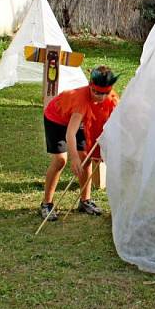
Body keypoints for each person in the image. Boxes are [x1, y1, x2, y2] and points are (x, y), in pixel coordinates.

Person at [40, 66, 120, 221]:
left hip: (81, 119)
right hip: (56, 119)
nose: (100, 97)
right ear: (90, 86)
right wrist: (74, 157)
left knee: (86, 159)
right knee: (60, 161)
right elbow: (71, 133)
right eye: (96, 92)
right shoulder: (81, 101)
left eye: (104, 93)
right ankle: (46, 203)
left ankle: (85, 200)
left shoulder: (110, 98)